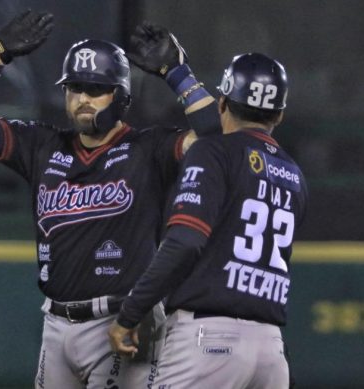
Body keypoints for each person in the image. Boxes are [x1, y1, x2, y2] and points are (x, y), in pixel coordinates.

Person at [0, 11, 219, 389]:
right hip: (55, 325)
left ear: (121, 96)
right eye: (74, 88)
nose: (82, 99)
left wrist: (177, 73)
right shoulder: (42, 146)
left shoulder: (148, 149)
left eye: (95, 89)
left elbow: (215, 135)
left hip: (122, 320)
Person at [109, 51, 308, 389]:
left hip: (211, 339)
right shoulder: (294, 174)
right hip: (271, 352)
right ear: (281, 114)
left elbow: (185, 242)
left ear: (221, 103)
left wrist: (130, 313)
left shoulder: (213, 152)